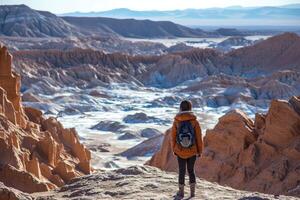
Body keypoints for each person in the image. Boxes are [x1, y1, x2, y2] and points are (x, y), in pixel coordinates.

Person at [171, 100, 203, 199]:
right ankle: (192, 194)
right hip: (192, 151)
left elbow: (173, 137)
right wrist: (199, 150)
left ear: (180, 108)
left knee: (181, 171)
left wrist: (174, 150)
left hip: (180, 151)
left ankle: (181, 193)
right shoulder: (194, 121)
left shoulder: (177, 121)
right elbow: (198, 137)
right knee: (191, 170)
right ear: (190, 108)